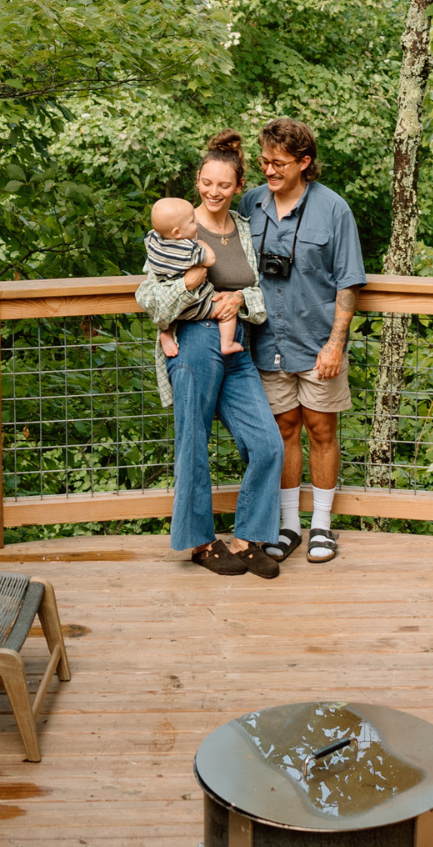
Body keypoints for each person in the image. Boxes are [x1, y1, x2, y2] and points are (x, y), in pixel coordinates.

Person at [135, 131, 284, 578]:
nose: (213, 192)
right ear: (196, 181)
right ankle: (200, 542)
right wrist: (191, 284)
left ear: (238, 186)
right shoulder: (173, 231)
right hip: (193, 345)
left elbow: (260, 293)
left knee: (266, 443)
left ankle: (249, 537)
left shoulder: (243, 228)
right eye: (206, 182)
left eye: (223, 184)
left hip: (236, 344)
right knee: (192, 442)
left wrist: (240, 302)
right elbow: (150, 300)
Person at [241, 117, 367, 564]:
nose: (269, 170)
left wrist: (336, 343)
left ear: (304, 162)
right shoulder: (251, 204)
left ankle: (322, 527)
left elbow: (349, 282)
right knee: (283, 431)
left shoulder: (334, 209)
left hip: (317, 344)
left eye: (278, 163)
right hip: (265, 342)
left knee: (321, 429)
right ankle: (290, 526)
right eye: (264, 162)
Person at [143, 197, 243, 358]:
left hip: (172, 304)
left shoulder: (153, 240)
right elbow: (210, 259)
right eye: (191, 221)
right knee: (227, 311)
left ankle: (166, 333)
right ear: (177, 232)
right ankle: (227, 343)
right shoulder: (186, 249)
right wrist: (201, 243)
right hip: (196, 303)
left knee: (170, 312)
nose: (196, 222)